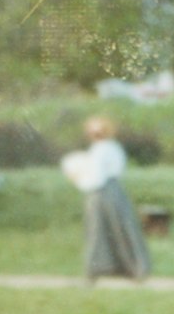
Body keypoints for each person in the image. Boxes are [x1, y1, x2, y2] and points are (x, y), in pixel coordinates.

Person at [62, 116, 151, 282]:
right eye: (93, 131)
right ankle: (107, 269)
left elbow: (96, 176)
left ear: (106, 131)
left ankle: (124, 270)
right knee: (109, 229)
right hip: (110, 189)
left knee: (106, 229)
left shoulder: (104, 149)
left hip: (102, 190)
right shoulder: (106, 148)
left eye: (99, 131)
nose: (95, 134)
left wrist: (78, 180)